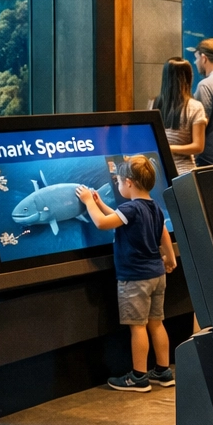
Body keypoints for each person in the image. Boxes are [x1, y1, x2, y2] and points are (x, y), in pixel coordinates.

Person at [76, 155, 178, 392]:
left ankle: (139, 377)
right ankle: (163, 371)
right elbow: (162, 233)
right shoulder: (153, 206)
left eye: (119, 181)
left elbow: (103, 223)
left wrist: (88, 203)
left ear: (129, 182)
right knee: (156, 323)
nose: (119, 185)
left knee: (138, 327)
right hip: (156, 274)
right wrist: (170, 260)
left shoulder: (130, 208)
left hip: (135, 279)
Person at [153, 56, 208, 175]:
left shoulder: (154, 103)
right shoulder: (195, 107)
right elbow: (198, 146)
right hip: (184, 172)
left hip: (157, 170)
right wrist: (170, 148)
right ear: (188, 78)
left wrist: (166, 148)